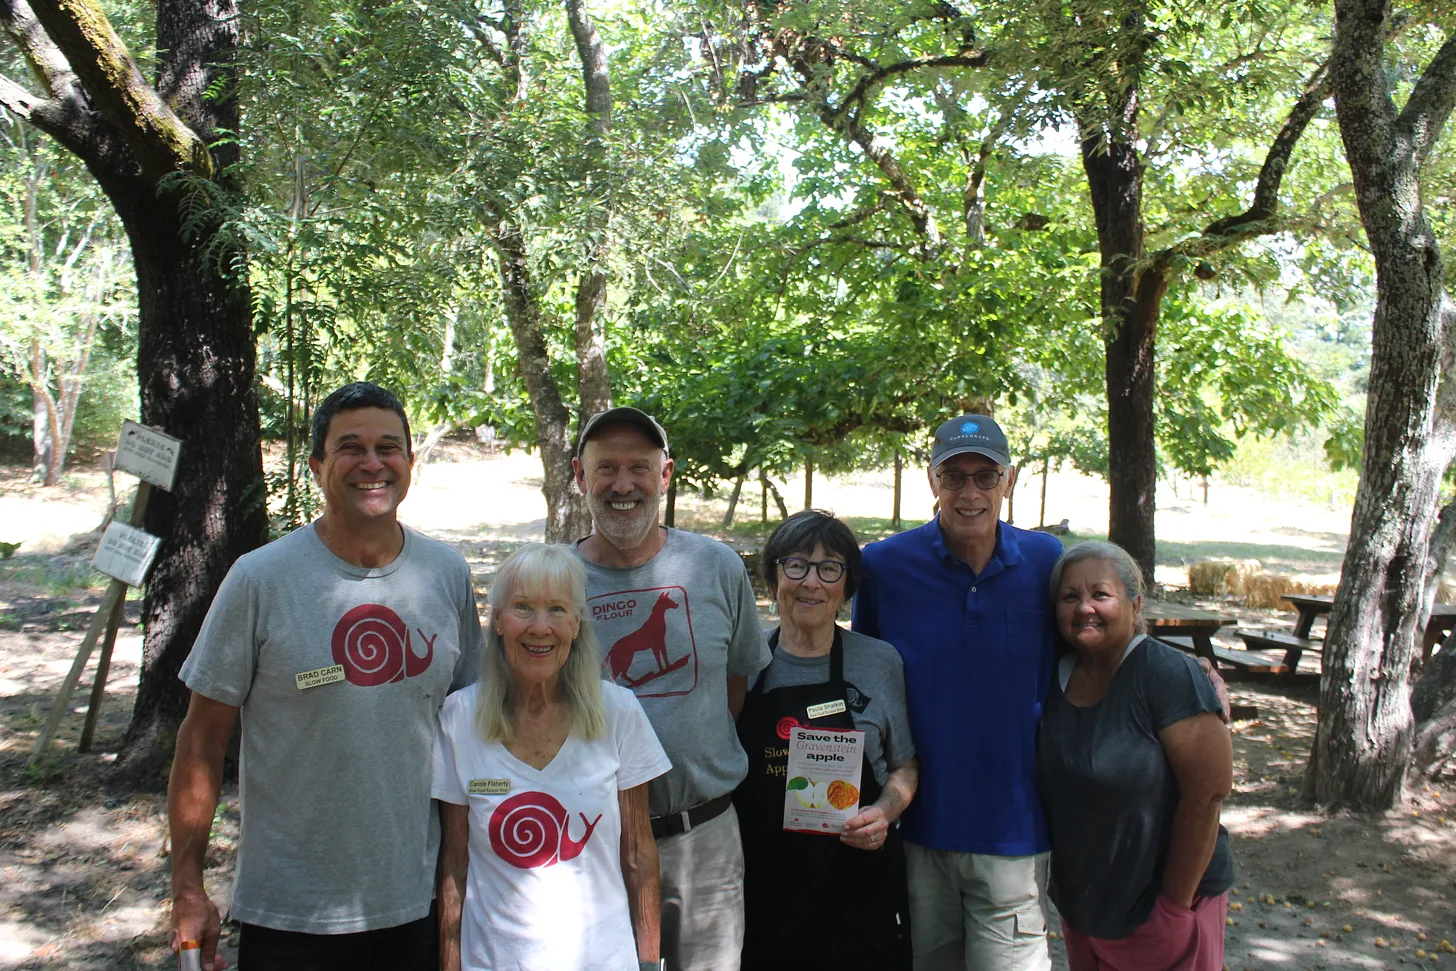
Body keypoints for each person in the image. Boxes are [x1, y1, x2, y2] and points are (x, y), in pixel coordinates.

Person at [167, 382, 484, 971]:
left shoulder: (445, 574)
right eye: (350, 447)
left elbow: (469, 734)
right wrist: (188, 888)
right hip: (291, 910)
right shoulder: (261, 579)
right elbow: (202, 740)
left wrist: (460, 888)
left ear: (411, 464)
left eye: (389, 447)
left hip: (415, 905)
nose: (372, 463)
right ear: (317, 465)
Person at [852, 414, 1061, 971]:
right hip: (918, 829)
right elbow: (862, 678)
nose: (969, 492)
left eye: (985, 476)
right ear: (931, 480)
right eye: (954, 476)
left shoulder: (1048, 563)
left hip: (1015, 831)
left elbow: (1102, 638)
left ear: (1008, 482)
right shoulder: (883, 567)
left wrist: (1184, 680)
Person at [572, 406, 771, 971]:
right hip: (591, 844)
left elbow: (735, 686)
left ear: (665, 475)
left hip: (701, 839)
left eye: (640, 467)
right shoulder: (552, 579)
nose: (623, 484)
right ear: (580, 477)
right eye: (605, 468)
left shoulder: (715, 566)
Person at [433, 543, 671, 971]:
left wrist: (650, 963)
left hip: (603, 960)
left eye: (557, 610)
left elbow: (638, 855)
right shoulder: (458, 719)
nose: (540, 627)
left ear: (577, 624)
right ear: (498, 622)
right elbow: (454, 861)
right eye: (522, 607)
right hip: (493, 960)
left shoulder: (619, 712)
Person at [1038, 541, 1234, 970]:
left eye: (1100, 594)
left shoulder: (1167, 674)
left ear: (1135, 603)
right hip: (1086, 909)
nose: (1084, 607)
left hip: (1162, 910)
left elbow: (1208, 796)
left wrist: (1174, 910)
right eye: (1070, 597)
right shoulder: (1053, 674)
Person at [735, 509, 917, 970]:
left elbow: (905, 766)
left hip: (856, 888)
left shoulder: (879, 662)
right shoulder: (744, 663)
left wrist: (884, 812)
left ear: (846, 585)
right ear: (774, 577)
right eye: (795, 565)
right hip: (763, 891)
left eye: (829, 568)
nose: (811, 582)